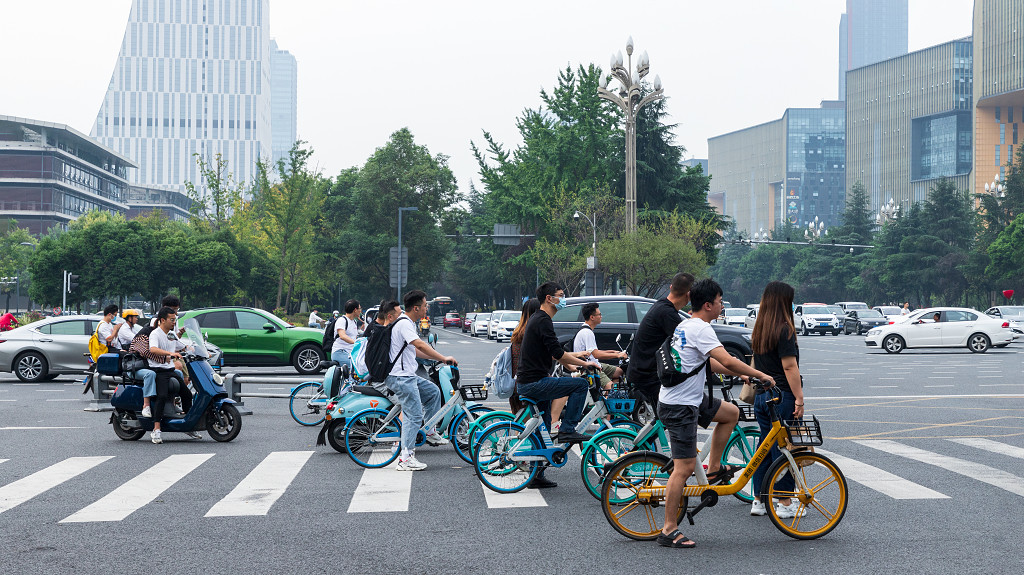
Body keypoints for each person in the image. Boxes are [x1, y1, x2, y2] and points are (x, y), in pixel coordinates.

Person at [658, 279, 775, 549]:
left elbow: (709, 363)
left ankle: (713, 468)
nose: (722, 306)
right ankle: (668, 529)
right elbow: (726, 358)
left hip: (688, 399)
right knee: (684, 468)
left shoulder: (687, 324)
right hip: (680, 406)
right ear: (708, 305)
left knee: (730, 413)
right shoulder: (700, 328)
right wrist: (757, 374)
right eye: (720, 301)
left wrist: (744, 375)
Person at [516, 282, 602, 488]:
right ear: (549, 298)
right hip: (534, 383)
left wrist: (574, 362)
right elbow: (557, 353)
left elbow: (554, 353)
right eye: (561, 295)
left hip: (531, 381)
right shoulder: (542, 320)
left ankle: (536, 475)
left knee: (543, 428)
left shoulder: (539, 319)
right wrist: (585, 363)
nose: (563, 299)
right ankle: (568, 428)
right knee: (580, 386)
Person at [750, 281, 806, 518]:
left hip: (762, 397)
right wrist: (800, 398)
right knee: (783, 451)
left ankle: (759, 500)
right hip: (781, 396)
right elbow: (789, 365)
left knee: (764, 448)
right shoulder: (784, 329)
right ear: (784, 302)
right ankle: (784, 501)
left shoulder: (759, 328)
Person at [385, 290, 458, 471]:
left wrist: (435, 358)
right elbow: (419, 344)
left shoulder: (408, 323)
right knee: (415, 415)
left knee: (433, 392)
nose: (427, 308)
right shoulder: (405, 324)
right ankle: (406, 458)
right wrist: (442, 357)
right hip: (400, 378)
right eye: (425, 305)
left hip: (407, 375)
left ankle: (431, 430)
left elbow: (414, 350)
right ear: (416, 308)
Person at [143, 307, 198, 444]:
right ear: (162, 320)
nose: (174, 322)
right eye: (172, 320)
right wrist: (170, 354)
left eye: (175, 320)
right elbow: (153, 349)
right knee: (162, 396)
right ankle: (156, 429)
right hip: (158, 370)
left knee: (186, 394)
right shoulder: (155, 334)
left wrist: (194, 349)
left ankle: (188, 425)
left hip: (170, 369)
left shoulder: (171, 334)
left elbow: (182, 346)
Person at [508, 298, 541, 415]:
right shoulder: (530, 331)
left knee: (522, 424)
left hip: (516, 381)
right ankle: (554, 422)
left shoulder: (519, 330)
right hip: (526, 381)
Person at [330, 300, 361, 368]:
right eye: (359, 308)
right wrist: (356, 342)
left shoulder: (354, 322)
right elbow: (342, 336)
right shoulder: (342, 320)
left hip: (350, 352)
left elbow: (354, 337)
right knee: (355, 367)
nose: (360, 310)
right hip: (340, 351)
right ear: (355, 310)